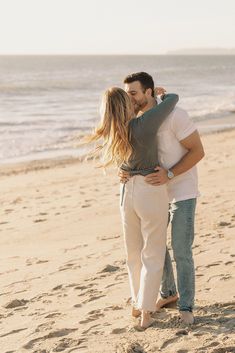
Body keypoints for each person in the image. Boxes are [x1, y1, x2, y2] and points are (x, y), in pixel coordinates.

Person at [86, 86, 179, 328]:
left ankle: (138, 304)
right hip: (150, 188)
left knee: (133, 253)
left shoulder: (112, 132)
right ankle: (147, 311)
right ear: (125, 105)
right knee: (153, 251)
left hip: (126, 191)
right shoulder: (143, 124)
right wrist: (157, 95)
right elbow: (173, 100)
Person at [120, 72, 205, 325]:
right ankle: (168, 294)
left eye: (134, 93)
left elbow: (198, 150)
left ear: (149, 92)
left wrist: (170, 173)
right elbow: (130, 154)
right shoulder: (133, 118)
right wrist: (123, 170)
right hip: (151, 193)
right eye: (126, 94)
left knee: (181, 249)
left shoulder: (175, 115)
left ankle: (186, 306)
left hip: (182, 189)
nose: (130, 99)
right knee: (155, 248)